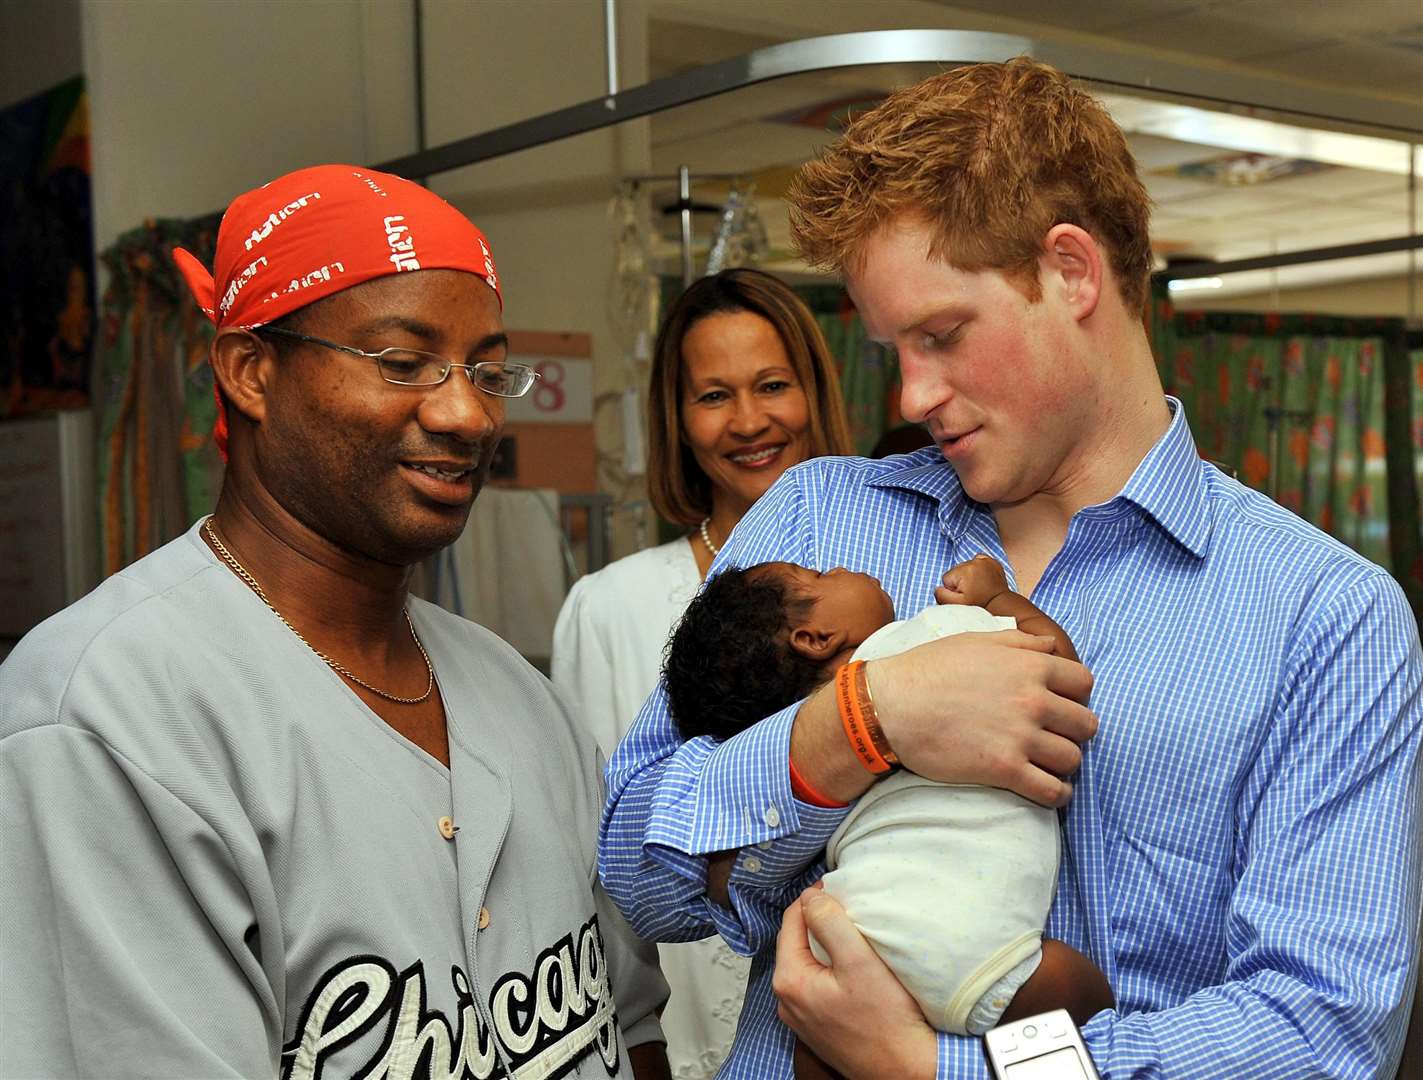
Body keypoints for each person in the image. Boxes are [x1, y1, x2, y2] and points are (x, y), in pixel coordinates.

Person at [600, 58, 1423, 1080]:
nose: (909, 392)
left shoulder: (1324, 617)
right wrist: (858, 722)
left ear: (1071, 273)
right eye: (892, 345)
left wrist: (944, 1071)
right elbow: (638, 875)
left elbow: (1320, 1035)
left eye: (942, 336)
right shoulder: (817, 517)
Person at [0, 164, 669, 1080]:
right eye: (402, 363)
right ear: (250, 371)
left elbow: (629, 1030)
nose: (467, 414)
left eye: (487, 370)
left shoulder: (523, 700)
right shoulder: (108, 715)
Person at [552, 268, 854, 1078]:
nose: (749, 421)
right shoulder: (611, 607)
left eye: (772, 385)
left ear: (814, 391)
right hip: (679, 1042)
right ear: (677, 421)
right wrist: (637, 1041)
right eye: (713, 396)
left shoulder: (873, 583)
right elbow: (594, 863)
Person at [662, 554, 1112, 1074]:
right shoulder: (928, 644)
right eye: (820, 577)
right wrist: (995, 598)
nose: (841, 569)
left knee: (822, 1046)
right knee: (1091, 997)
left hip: (853, 941)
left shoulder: (803, 734)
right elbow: (1058, 665)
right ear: (815, 637)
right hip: (978, 953)